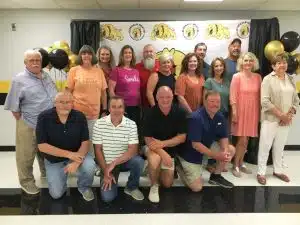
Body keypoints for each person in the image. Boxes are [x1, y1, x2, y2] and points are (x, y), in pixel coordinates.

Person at [4, 49, 57, 195]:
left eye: (37, 60)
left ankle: (45, 172)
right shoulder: (18, 80)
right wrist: (26, 123)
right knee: (26, 155)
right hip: (29, 122)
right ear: (25, 63)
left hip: (48, 123)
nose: (35, 63)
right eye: (31, 60)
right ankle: (26, 182)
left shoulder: (45, 76)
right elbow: (14, 108)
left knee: (44, 149)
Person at [36, 92, 95, 201]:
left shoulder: (79, 116)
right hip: (54, 159)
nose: (65, 105)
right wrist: (69, 155)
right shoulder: (44, 117)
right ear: (55, 103)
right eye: (61, 102)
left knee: (90, 166)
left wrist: (77, 161)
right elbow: (42, 146)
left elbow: (85, 143)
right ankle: (61, 177)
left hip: (78, 154)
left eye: (68, 102)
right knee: (56, 194)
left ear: (72, 103)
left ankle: (84, 187)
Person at [176, 90, 235, 191]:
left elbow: (223, 137)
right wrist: (217, 156)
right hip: (190, 153)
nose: (215, 104)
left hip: (205, 147)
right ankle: (179, 166)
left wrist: (224, 150)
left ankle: (216, 176)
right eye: (212, 101)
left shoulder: (220, 116)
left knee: (230, 150)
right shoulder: (196, 118)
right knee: (197, 187)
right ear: (205, 102)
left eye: (217, 102)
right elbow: (196, 145)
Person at [257, 53, 299, 185]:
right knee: (265, 146)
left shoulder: (291, 79)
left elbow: (296, 100)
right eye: (279, 63)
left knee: (279, 147)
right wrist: (281, 115)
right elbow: (265, 101)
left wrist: (289, 115)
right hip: (271, 119)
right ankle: (261, 172)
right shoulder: (268, 79)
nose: (283, 65)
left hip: (286, 120)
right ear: (273, 66)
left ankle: (278, 170)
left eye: (284, 62)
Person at [93, 96, 144, 202]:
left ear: (124, 109)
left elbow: (133, 150)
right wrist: (106, 170)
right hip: (107, 164)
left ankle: (131, 187)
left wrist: (114, 163)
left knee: (138, 161)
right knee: (107, 198)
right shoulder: (99, 124)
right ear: (109, 109)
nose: (117, 110)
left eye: (120, 107)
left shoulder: (131, 124)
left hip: (124, 161)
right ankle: (103, 174)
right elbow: (98, 150)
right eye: (113, 107)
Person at [143, 86, 187, 203]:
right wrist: (163, 154)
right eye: (161, 97)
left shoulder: (180, 112)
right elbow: (148, 139)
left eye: (168, 97)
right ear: (156, 98)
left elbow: (182, 137)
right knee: (155, 158)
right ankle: (153, 186)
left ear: (173, 97)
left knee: (167, 184)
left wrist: (162, 143)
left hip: (169, 149)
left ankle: (153, 169)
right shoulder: (150, 113)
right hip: (153, 148)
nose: (165, 100)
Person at [67, 45, 108, 158]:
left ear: (93, 56)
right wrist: (67, 109)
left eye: (89, 53)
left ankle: (90, 163)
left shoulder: (99, 71)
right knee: (76, 138)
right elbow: (68, 92)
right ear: (80, 55)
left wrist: (104, 110)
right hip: (76, 112)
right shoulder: (74, 70)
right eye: (84, 53)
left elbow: (104, 93)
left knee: (91, 140)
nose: (86, 56)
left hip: (94, 113)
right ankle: (75, 162)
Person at [230, 52, 262, 177]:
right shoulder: (236, 76)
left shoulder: (258, 77)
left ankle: (241, 162)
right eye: (246, 60)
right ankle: (235, 165)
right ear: (241, 62)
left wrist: (260, 113)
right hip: (240, 110)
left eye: (250, 60)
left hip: (253, 110)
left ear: (254, 63)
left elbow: (259, 97)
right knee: (241, 139)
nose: (248, 63)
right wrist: (234, 112)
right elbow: (233, 96)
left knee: (247, 139)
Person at [203, 57, 230, 173]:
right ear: (213, 68)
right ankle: (210, 163)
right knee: (211, 140)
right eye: (216, 66)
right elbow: (204, 99)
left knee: (222, 140)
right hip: (212, 115)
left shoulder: (227, 82)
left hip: (224, 114)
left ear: (224, 67)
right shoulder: (209, 81)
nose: (219, 68)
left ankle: (220, 161)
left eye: (221, 66)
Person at [109, 45, 141, 125]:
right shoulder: (116, 70)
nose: (128, 54)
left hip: (136, 107)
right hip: (122, 107)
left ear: (132, 55)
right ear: (122, 55)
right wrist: (116, 106)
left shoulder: (136, 71)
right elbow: (111, 90)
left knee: (133, 131)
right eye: (125, 53)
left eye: (130, 53)